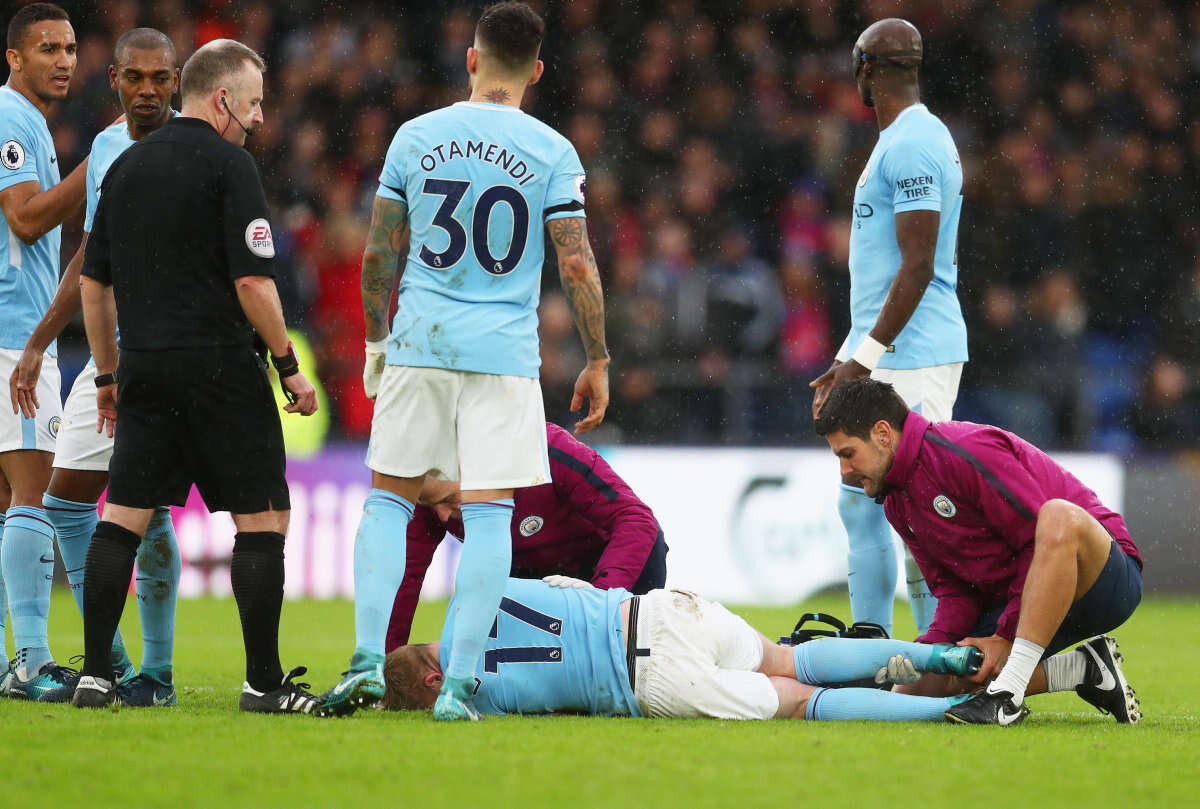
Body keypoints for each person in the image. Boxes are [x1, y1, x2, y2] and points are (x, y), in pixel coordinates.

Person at [322, 2, 609, 721]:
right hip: (504, 356)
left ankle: (366, 660)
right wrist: (598, 356)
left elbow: (380, 251)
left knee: (389, 501)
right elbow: (576, 262)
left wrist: (377, 340)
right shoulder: (552, 151)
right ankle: (458, 687)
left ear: (472, 59)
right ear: (536, 71)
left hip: (421, 341)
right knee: (488, 518)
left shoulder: (416, 136)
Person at [72, 38, 319, 713]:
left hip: (145, 366)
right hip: (220, 366)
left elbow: (94, 285)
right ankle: (263, 683)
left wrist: (107, 376)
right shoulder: (231, 165)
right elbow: (253, 282)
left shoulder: (125, 166)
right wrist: (288, 365)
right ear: (222, 99)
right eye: (254, 104)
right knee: (262, 519)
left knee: (121, 517)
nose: (259, 118)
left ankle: (95, 676)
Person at [12, 28, 182, 707]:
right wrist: (41, 339)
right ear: (113, 78)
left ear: (176, 81)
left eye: (159, 78)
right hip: (112, 352)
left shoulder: (196, 144)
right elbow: (92, 259)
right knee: (65, 501)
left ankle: (157, 673)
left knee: (151, 504)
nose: (146, 90)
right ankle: (109, 655)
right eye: (134, 77)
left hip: (173, 348)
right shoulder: (108, 147)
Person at [814, 378, 1143, 725]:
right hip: (1023, 599)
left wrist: (1005, 636)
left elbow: (1035, 541)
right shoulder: (895, 502)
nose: (844, 471)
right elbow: (955, 590)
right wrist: (925, 653)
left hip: (1104, 580)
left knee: (1057, 516)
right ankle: (1085, 669)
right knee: (927, 685)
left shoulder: (964, 449)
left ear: (883, 434)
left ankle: (1007, 697)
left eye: (847, 454)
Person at [809, 18, 967, 639]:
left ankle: (937, 658)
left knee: (917, 512)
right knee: (858, 501)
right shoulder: (907, 138)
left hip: (915, 353)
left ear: (866, 69)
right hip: (883, 347)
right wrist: (851, 351)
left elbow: (919, 264)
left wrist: (862, 359)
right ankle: (870, 648)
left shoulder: (913, 144)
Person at [381, 576, 983, 721]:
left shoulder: (475, 695)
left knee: (803, 700)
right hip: (660, 610)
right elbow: (569, 589)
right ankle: (941, 656)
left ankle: (949, 710)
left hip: (649, 679)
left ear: (434, 682)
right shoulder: (477, 590)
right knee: (791, 657)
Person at [386, 421, 667, 651]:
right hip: (531, 581)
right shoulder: (430, 495)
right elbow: (404, 577)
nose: (443, 516)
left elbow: (636, 519)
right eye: (432, 505)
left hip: (606, 568)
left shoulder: (547, 450)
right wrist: (385, 665)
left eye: (449, 500)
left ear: (469, 464)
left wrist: (600, 601)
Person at [0, 2, 91, 700]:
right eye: (47, 49)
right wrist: (98, 169)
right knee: (32, 494)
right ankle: (31, 659)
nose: (63, 60)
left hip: (11, 329)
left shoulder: (24, 119)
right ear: (15, 57)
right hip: (15, 335)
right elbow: (26, 218)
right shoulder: (11, 117)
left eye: (69, 48)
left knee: (7, 499)